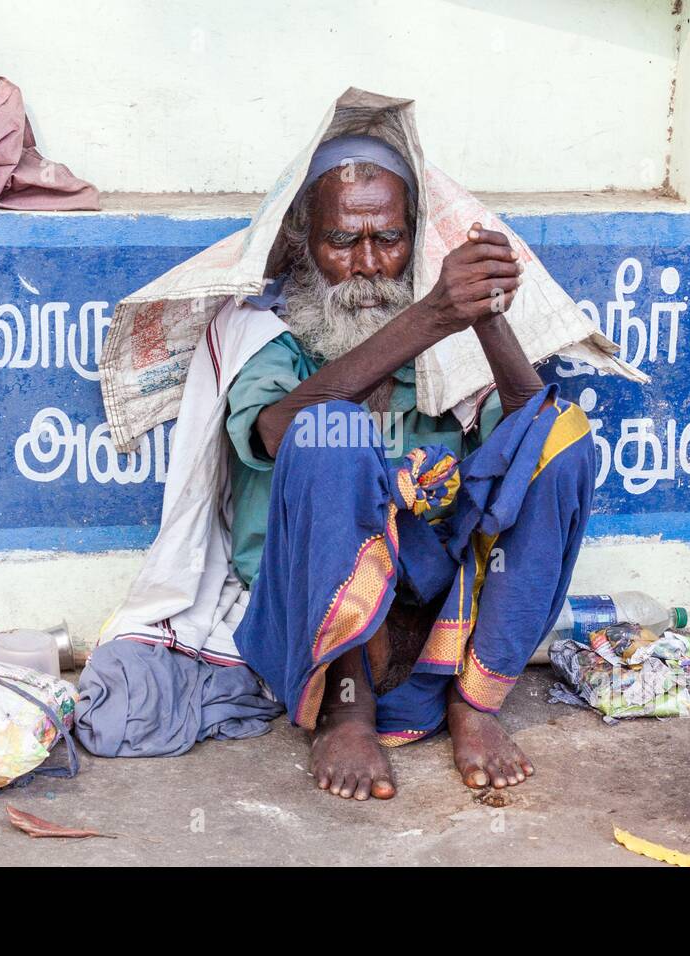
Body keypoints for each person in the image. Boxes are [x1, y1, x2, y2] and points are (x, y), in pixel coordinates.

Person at [226, 135, 595, 801]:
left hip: (431, 616)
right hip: (312, 625)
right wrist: (431, 316)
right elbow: (278, 431)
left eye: (389, 240)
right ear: (304, 243)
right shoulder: (274, 339)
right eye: (343, 240)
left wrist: (483, 315)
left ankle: (475, 702)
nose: (367, 265)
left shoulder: (447, 348)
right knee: (330, 429)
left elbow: (525, 434)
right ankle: (347, 712)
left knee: (564, 438)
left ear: (418, 244)